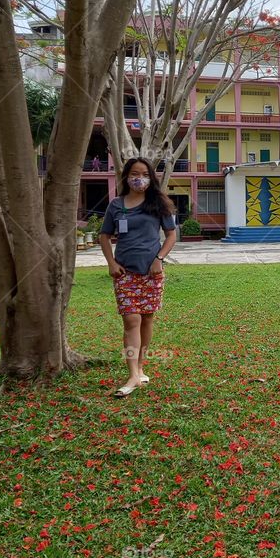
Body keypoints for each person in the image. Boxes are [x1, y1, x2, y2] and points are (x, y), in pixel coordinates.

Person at [99, 158, 177, 398]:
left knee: (147, 319)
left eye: (144, 174)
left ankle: (140, 367)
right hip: (125, 273)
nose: (139, 178)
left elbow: (171, 235)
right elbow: (104, 236)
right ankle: (132, 374)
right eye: (134, 173)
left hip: (152, 273)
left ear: (151, 178)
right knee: (131, 319)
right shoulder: (116, 205)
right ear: (126, 176)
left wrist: (159, 259)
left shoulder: (158, 203)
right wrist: (111, 263)